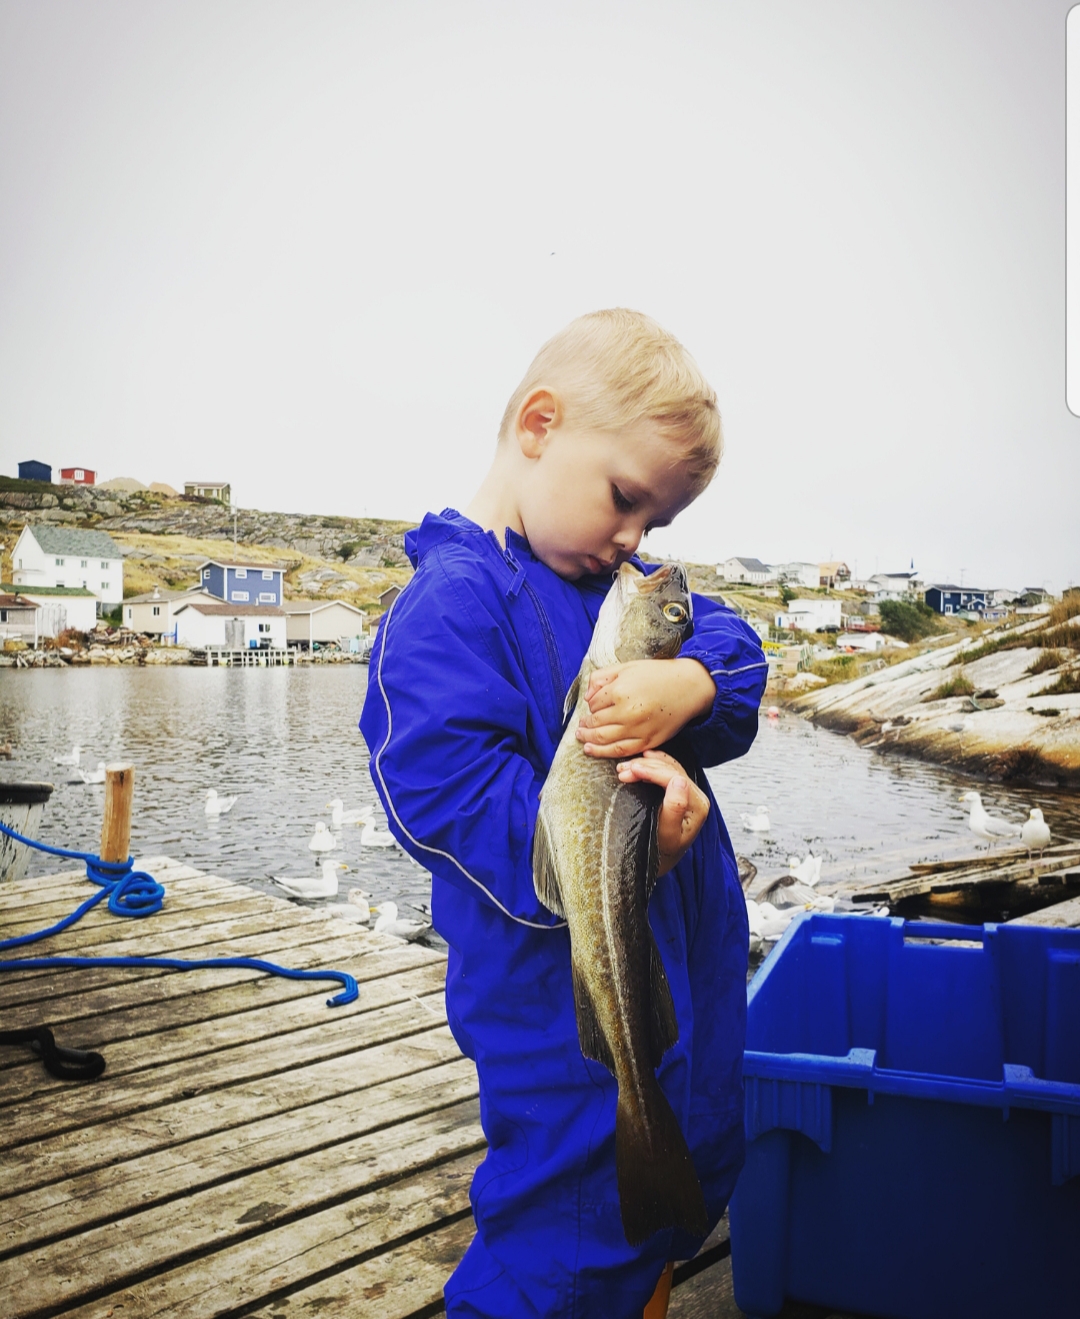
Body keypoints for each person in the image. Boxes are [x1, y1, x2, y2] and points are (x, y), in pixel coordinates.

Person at [360, 309, 767, 1318]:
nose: (633, 541)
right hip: (557, 1026)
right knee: (564, 1250)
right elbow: (446, 790)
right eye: (625, 499)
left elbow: (737, 648)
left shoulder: (622, 597)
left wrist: (691, 685)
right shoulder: (451, 606)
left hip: (685, 996)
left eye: (656, 526)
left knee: (664, 1210)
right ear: (539, 424)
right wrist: (630, 856)